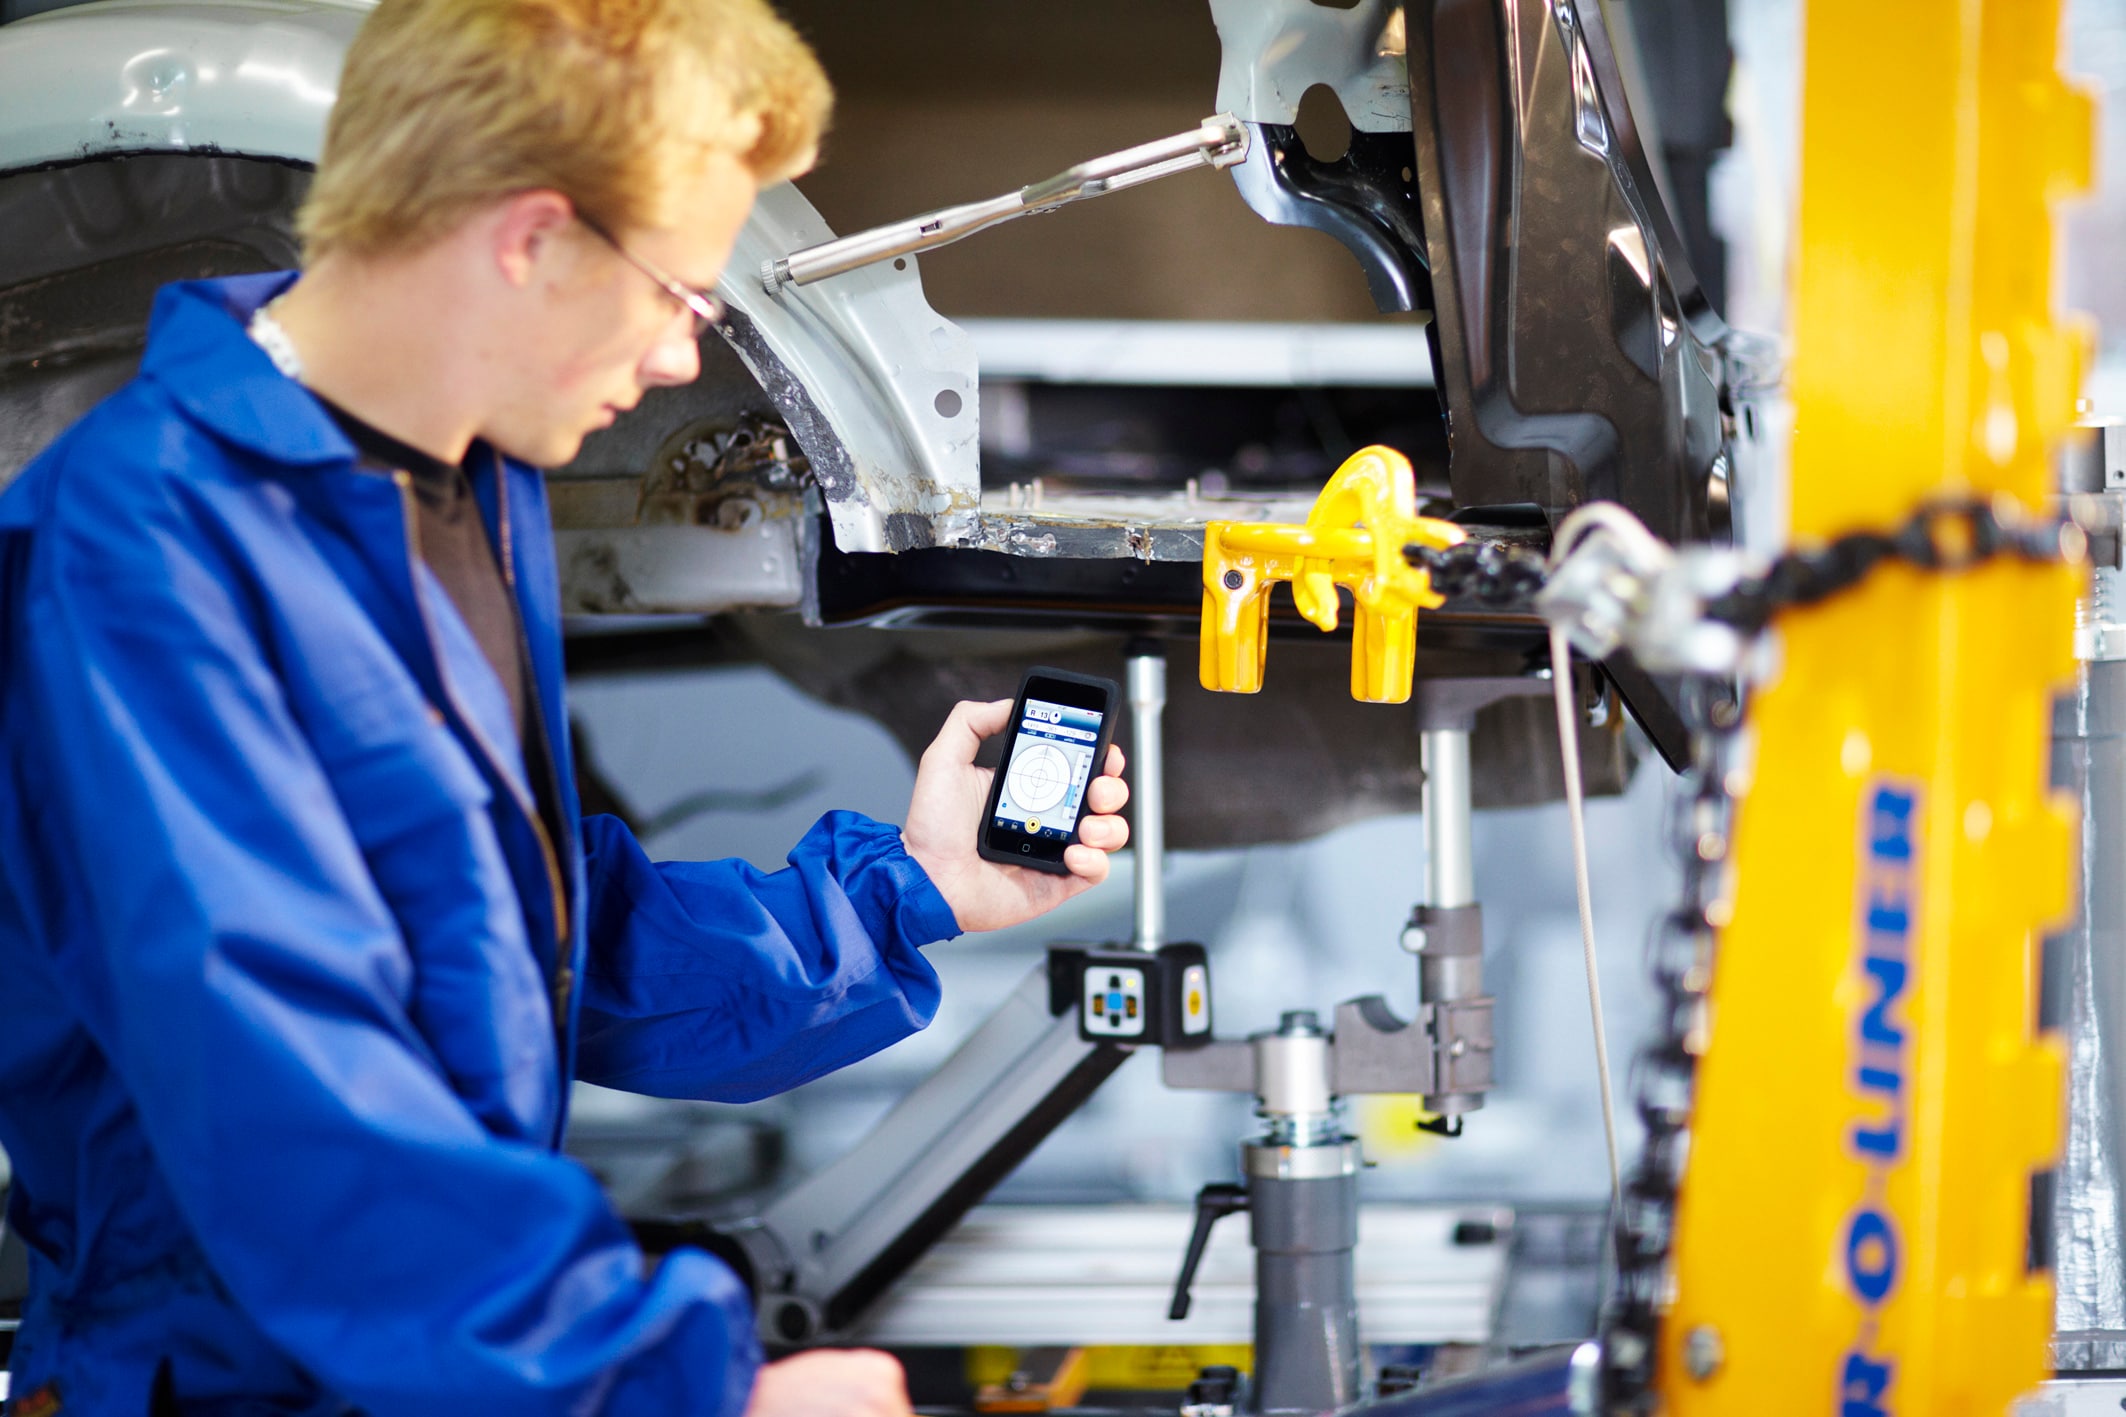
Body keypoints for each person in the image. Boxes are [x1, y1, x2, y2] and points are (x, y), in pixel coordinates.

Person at [0, 0, 1130, 1412]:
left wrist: (907, 894)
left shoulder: (460, 486)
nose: (678, 359)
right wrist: (682, 1389)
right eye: (681, 296)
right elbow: (290, 1095)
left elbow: (525, 934)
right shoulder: (149, 539)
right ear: (531, 238)